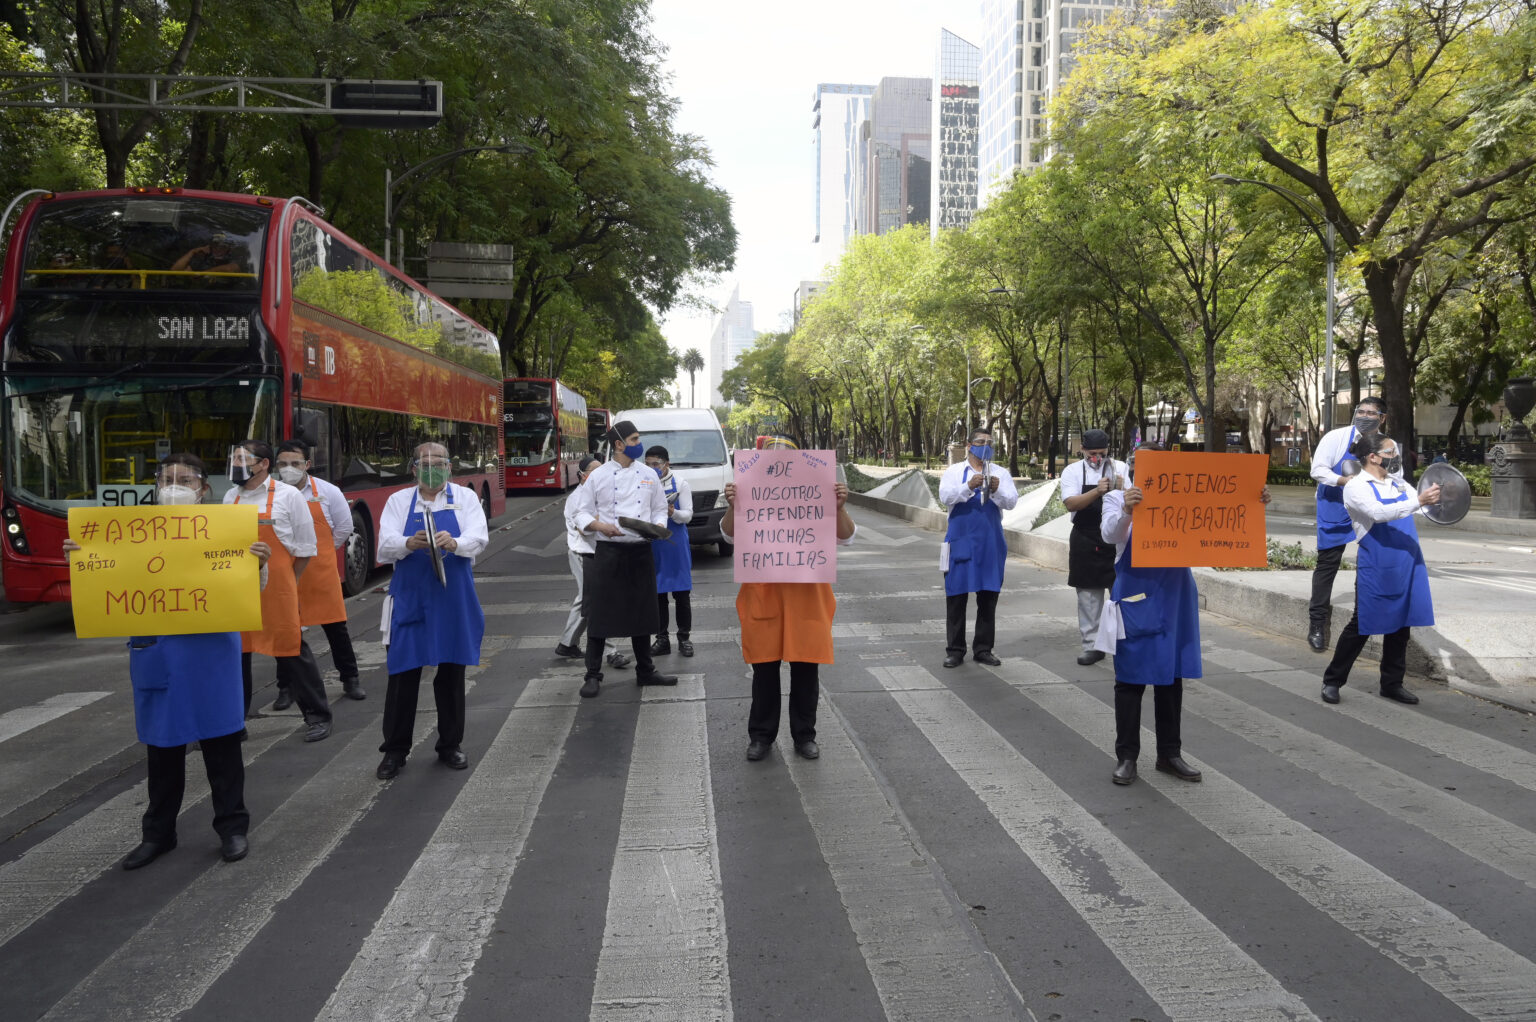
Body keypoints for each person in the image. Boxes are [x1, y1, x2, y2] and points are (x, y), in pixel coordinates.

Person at [65, 453, 267, 869]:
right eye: (167, 478)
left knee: (222, 743)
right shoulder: (128, 533)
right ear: (155, 487)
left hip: (211, 651)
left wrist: (257, 563)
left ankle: (232, 828)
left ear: (203, 489)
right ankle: (158, 834)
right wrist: (82, 560)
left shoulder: (225, 530)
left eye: (186, 479)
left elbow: (252, 591)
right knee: (162, 746)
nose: (175, 485)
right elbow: (106, 584)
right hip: (158, 651)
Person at [1099, 442, 1272, 786]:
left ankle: (1169, 754)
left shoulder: (1184, 495)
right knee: (1130, 680)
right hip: (1136, 597)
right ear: (1134, 467)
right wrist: (1129, 511)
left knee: (1171, 678)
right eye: (1143, 463)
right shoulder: (1117, 499)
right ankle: (1127, 756)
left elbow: (1222, 512)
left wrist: (1254, 499)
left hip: (1176, 596)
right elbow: (1109, 535)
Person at [722, 466, 856, 762]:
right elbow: (730, 536)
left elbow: (847, 537)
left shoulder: (816, 496)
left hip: (807, 598)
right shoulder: (752, 493)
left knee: (806, 670)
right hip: (764, 594)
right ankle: (761, 736)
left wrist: (839, 508)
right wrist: (734, 506)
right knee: (765, 671)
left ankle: (804, 735)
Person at [375, 442, 487, 778]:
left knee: (452, 673)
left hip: (452, 596)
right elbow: (384, 545)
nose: (431, 468)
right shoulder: (398, 501)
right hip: (411, 596)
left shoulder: (465, 498)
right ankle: (395, 750)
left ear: (450, 467)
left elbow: (478, 538)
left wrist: (454, 543)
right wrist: (409, 543)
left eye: (438, 462)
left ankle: (450, 744)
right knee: (403, 673)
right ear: (413, 469)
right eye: (424, 463)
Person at [224, 440, 333, 742]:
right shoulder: (231, 496)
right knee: (236, 654)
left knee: (291, 649)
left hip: (278, 586)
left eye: (242, 459)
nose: (235, 465)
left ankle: (318, 715)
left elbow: (306, 548)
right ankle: (234, 722)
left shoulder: (287, 497)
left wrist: (287, 583)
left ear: (263, 464)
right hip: (238, 588)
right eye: (233, 459)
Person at [1320, 432, 1440, 706]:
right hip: (1378, 563)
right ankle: (1333, 680)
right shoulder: (1356, 486)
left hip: (1407, 561)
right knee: (1362, 624)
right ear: (1372, 457)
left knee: (1401, 625)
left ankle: (1392, 683)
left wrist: (1440, 498)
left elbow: (1423, 511)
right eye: (1390, 453)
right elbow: (1378, 513)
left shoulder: (1399, 485)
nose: (1395, 457)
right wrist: (1419, 501)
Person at [569, 420, 678, 698]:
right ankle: (592, 675)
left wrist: (656, 528)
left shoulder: (649, 474)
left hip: (640, 550)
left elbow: (658, 509)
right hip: (608, 552)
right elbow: (581, 513)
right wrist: (600, 526)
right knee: (600, 616)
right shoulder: (599, 475)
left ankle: (646, 671)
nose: (638, 444)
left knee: (642, 614)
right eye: (634, 439)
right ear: (618, 444)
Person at [273, 441, 364, 703]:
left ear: (307, 465)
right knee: (287, 630)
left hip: (320, 572)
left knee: (336, 627)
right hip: (285, 573)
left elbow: (344, 527)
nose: (288, 469)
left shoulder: (328, 491)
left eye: (295, 463)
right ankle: (285, 687)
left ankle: (350, 678)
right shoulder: (272, 494)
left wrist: (321, 551)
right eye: (283, 464)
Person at [1308, 397, 1400, 652]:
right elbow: (1317, 470)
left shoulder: (1388, 446)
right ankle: (1316, 622)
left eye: (1372, 413)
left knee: (1371, 562)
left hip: (1370, 508)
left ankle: (1364, 617)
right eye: (1361, 411)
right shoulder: (1335, 438)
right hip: (1335, 503)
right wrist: (1344, 481)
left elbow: (1396, 477)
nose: (1365, 416)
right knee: (1328, 562)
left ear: (1382, 418)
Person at [938, 427, 1020, 668]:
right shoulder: (954, 472)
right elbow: (945, 497)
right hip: (960, 540)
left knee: (988, 596)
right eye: (981, 441)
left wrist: (996, 490)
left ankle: (983, 648)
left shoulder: (1000, 473)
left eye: (989, 442)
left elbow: (1012, 501)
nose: (986, 446)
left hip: (989, 542)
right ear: (969, 445)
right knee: (956, 596)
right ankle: (955, 650)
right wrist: (968, 486)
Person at [1059, 428, 1127, 666]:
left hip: (1115, 538)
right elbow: (1070, 503)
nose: (1097, 457)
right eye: (1092, 453)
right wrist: (1097, 491)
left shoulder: (1119, 468)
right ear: (1083, 450)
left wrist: (1119, 489)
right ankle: (1091, 645)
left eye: (1101, 452)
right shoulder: (1072, 471)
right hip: (1086, 538)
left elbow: (1129, 501)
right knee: (1088, 597)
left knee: (1120, 595)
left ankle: (1122, 644)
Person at [555, 455, 625, 667]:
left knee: (587, 600)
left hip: (599, 553)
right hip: (583, 554)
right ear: (583, 476)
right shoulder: (577, 499)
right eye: (594, 472)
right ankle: (611, 652)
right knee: (598, 600)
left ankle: (567, 643)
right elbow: (585, 529)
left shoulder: (602, 494)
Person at [645, 445, 695, 657]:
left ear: (667, 464)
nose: (652, 468)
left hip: (676, 544)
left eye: (655, 464)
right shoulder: (644, 483)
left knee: (682, 594)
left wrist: (672, 511)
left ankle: (684, 638)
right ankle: (662, 638)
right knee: (658, 595)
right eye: (647, 464)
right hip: (655, 544)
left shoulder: (680, 483)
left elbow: (688, 515)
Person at [172, 231, 243, 275]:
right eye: (215, 245)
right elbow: (174, 270)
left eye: (223, 246)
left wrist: (202, 274)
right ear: (210, 246)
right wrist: (192, 252)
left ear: (228, 248)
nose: (218, 249)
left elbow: (231, 268)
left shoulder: (232, 256)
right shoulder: (203, 256)